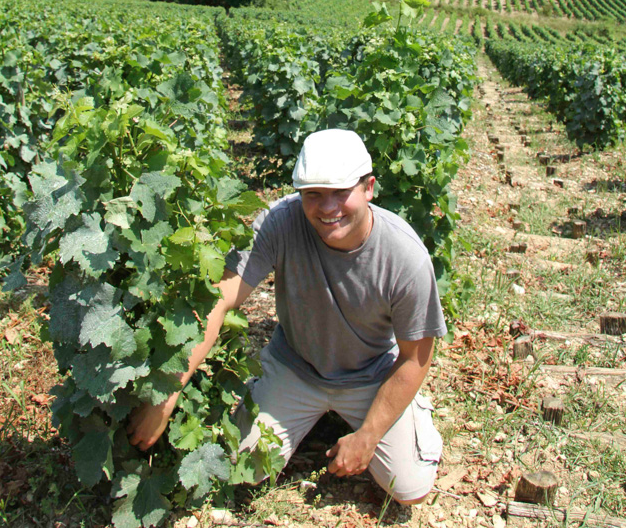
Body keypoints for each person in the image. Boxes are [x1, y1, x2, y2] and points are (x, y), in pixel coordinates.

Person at [127, 129, 447, 507]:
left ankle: (396, 418)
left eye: (341, 192)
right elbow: (219, 300)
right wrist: (167, 393)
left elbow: (414, 359)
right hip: (295, 366)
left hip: (372, 374)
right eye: (313, 195)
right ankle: (316, 414)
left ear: (369, 188)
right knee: (238, 468)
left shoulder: (404, 256)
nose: (328, 208)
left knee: (409, 489)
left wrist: (368, 437)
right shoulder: (281, 222)